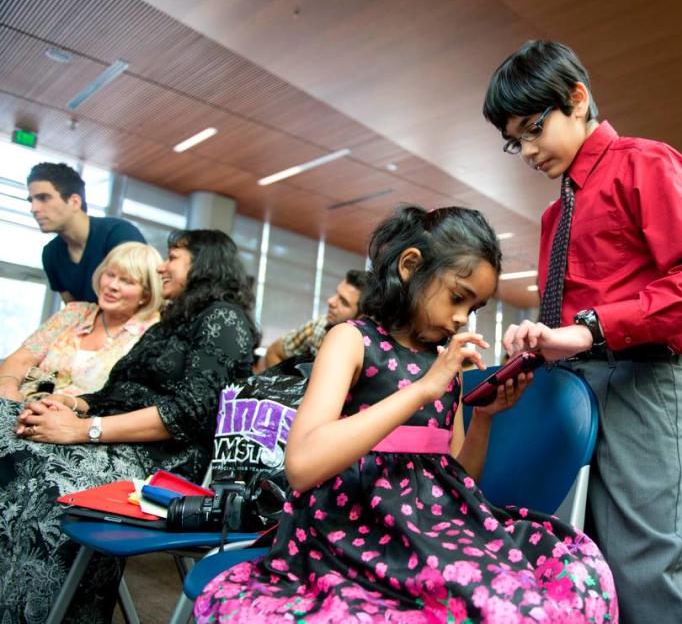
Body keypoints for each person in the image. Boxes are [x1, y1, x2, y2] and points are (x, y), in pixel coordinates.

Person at [194, 206, 618, 622]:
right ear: (410, 266)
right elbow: (303, 466)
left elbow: (456, 478)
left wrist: (485, 418)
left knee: (561, 578)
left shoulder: (444, 367)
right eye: (457, 297)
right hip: (356, 525)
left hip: (433, 527)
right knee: (477, 598)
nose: (460, 318)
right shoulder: (351, 341)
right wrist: (422, 389)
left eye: (473, 308)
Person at [483, 40, 682, 624]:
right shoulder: (556, 212)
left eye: (532, 129)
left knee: (642, 573)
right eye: (512, 140)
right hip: (569, 386)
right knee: (574, 560)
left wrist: (591, 329)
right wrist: (540, 341)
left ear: (577, 98)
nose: (524, 150)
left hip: (641, 378)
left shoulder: (647, 162)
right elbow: (564, 319)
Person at [0, 229, 257, 622]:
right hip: (113, 435)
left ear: (203, 264)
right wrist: (70, 402)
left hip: (163, 459)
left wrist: (84, 429)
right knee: (9, 433)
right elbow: (115, 391)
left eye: (173, 256)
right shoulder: (169, 322)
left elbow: (188, 411)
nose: (162, 265)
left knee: (45, 481)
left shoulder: (224, 317)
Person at [0, 242, 162, 402]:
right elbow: (21, 360)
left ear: (146, 295)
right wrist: (8, 387)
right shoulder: (74, 313)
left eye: (127, 281)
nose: (112, 285)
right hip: (22, 409)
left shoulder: (152, 334)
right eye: (110, 275)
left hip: (78, 424)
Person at [28, 162, 145, 303]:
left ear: (74, 201)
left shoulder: (119, 234)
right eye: (31, 200)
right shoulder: (50, 254)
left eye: (43, 198)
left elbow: (140, 301)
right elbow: (74, 313)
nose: (34, 208)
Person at [262, 269, 370, 368]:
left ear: (362, 316)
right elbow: (274, 352)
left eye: (343, 301)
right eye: (336, 294)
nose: (331, 301)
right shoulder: (319, 326)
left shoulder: (369, 353)